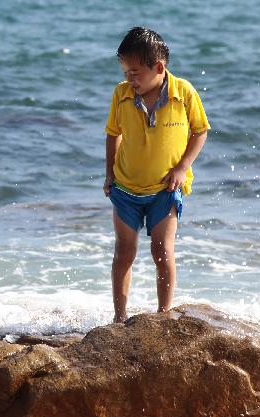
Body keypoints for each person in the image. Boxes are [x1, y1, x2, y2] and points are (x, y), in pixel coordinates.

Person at [104, 26, 210, 323]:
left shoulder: (184, 92)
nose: (129, 79)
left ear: (159, 68)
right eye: (125, 71)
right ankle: (119, 317)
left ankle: (164, 314)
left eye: (135, 73)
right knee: (124, 252)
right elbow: (113, 134)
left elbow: (200, 131)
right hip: (125, 189)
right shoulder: (122, 95)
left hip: (165, 189)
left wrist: (182, 167)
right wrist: (109, 174)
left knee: (162, 250)